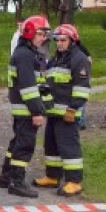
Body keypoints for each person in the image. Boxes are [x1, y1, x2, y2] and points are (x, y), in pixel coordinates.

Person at [32, 24, 91, 196]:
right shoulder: (55, 59)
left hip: (68, 113)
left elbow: (82, 88)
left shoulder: (79, 59)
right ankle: (53, 177)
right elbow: (48, 83)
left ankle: (74, 181)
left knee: (69, 147)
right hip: (53, 113)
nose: (59, 43)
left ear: (73, 41)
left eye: (63, 40)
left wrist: (73, 109)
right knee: (51, 146)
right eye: (57, 40)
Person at [0, 15, 52, 198]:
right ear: (29, 33)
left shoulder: (26, 53)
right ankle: (17, 182)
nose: (43, 38)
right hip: (26, 109)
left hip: (23, 108)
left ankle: (6, 177)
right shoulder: (25, 56)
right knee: (25, 145)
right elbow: (29, 88)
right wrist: (37, 112)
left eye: (45, 34)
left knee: (17, 142)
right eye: (40, 34)